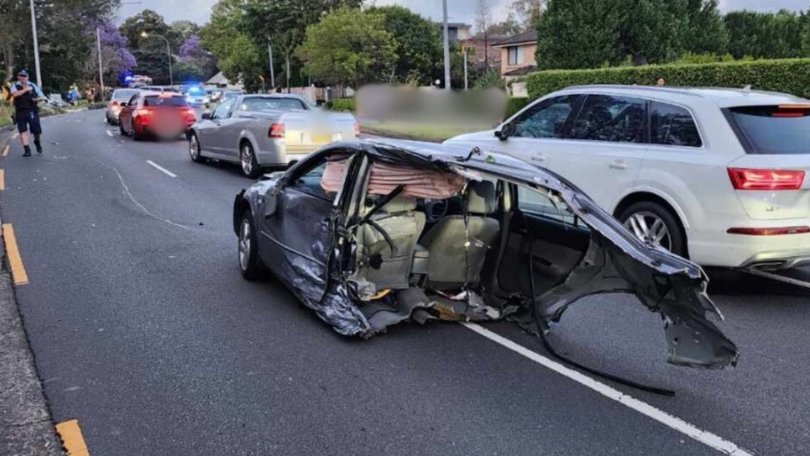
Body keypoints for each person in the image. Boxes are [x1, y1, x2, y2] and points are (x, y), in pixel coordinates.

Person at [9, 69, 46, 157]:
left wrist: (36, 99)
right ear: (18, 77)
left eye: (24, 76)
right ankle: (27, 149)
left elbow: (42, 96)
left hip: (32, 110)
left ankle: (37, 142)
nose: (23, 78)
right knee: (22, 130)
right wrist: (25, 90)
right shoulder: (15, 85)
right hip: (20, 110)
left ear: (27, 77)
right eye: (21, 76)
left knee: (36, 130)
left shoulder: (33, 85)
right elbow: (15, 94)